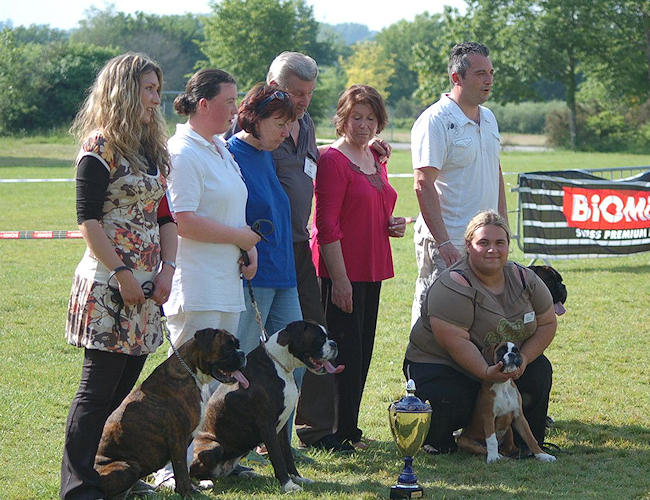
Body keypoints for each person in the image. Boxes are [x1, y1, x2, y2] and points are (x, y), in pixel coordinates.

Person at [60, 52, 177, 500]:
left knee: (121, 390)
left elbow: (166, 217)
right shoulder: (98, 148)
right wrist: (123, 273)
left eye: (156, 90)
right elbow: (88, 220)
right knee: (96, 392)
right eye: (148, 90)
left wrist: (166, 271)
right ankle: (78, 487)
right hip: (110, 286)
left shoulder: (150, 150)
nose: (155, 99)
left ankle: (103, 478)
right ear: (124, 91)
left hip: (148, 289)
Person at [153, 68, 260, 490]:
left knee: (215, 385)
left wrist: (245, 249)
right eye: (229, 101)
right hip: (194, 283)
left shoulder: (219, 149)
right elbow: (184, 220)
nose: (236, 109)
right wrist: (238, 237)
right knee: (182, 385)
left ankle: (203, 461)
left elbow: (230, 212)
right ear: (203, 104)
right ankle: (167, 467)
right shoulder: (182, 150)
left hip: (225, 282)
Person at [403, 210, 557, 455]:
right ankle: (441, 437)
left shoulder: (524, 277)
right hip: (443, 363)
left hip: (498, 360)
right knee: (456, 398)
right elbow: (456, 343)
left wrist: (524, 360)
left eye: (499, 243)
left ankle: (524, 444)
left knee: (539, 371)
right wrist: (486, 373)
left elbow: (548, 323)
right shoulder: (452, 284)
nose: (492, 250)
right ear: (468, 245)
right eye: (483, 242)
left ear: (508, 245)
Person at [311, 84, 406, 450]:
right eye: (356, 117)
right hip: (341, 271)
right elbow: (326, 225)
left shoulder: (374, 157)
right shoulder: (334, 161)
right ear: (342, 119)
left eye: (370, 118)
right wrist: (339, 280)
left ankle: (350, 429)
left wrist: (390, 223)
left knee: (361, 351)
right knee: (342, 351)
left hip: (372, 266)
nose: (363, 125)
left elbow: (374, 206)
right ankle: (333, 431)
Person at [411, 41, 508, 327]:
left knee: (478, 320)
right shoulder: (435, 120)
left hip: (485, 242)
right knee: (436, 316)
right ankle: (419, 370)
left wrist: (502, 229)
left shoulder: (489, 118)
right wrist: (443, 242)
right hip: (448, 242)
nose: (488, 79)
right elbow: (422, 184)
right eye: (480, 73)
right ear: (457, 77)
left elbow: (496, 170)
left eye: (490, 72)